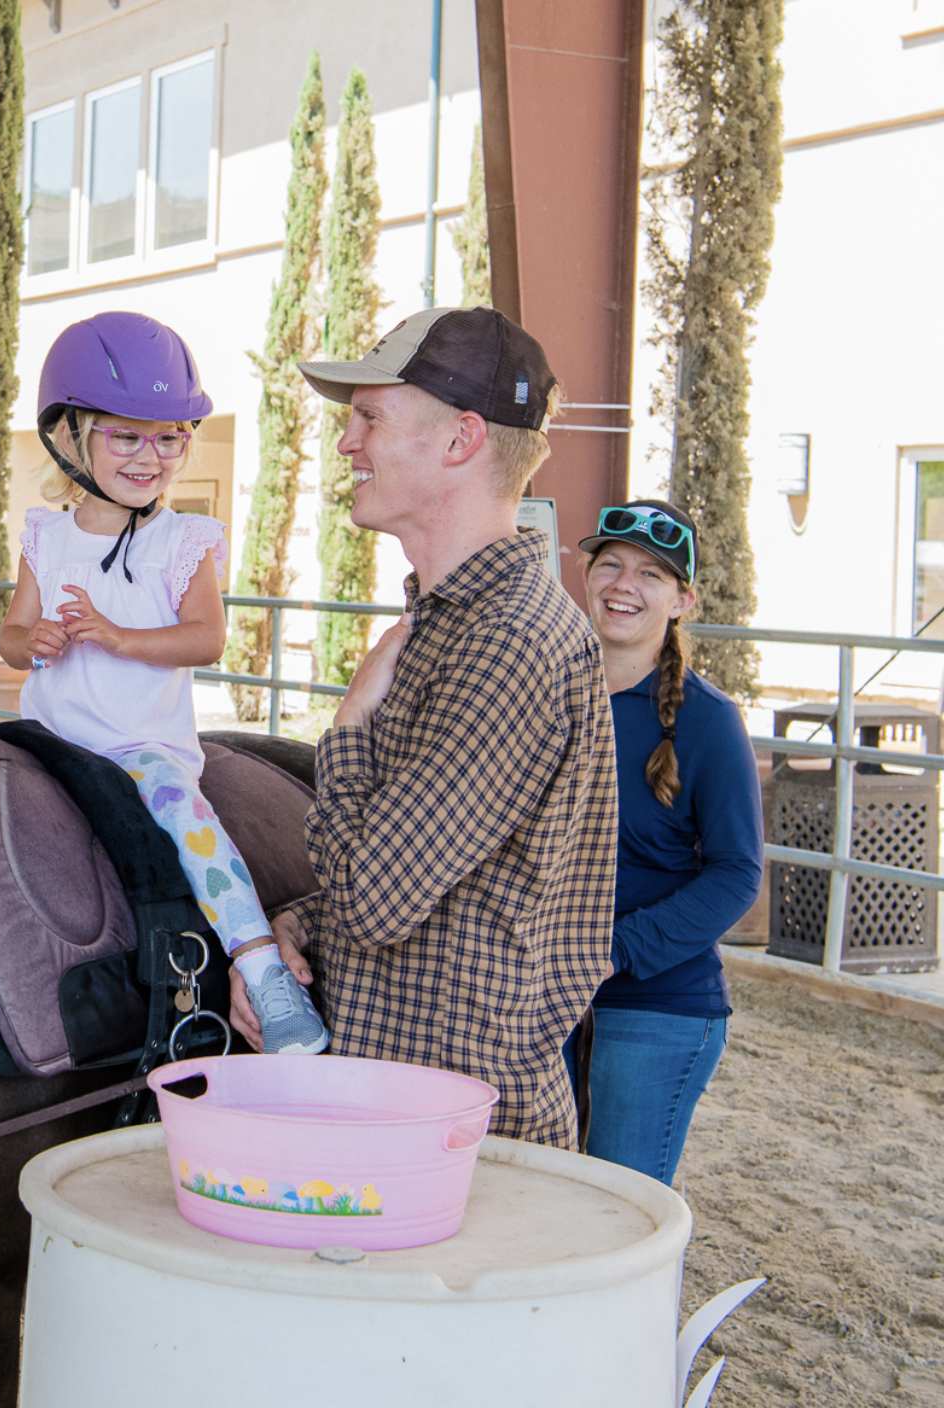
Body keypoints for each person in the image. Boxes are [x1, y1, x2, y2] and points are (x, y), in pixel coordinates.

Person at [250, 306, 617, 1146]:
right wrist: (298, 930)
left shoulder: (510, 639)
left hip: (453, 1135)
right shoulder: (450, 627)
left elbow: (379, 897)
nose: (348, 443)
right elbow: (445, 891)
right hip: (401, 1107)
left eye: (370, 417)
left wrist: (346, 731)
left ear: (460, 441)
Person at [0, 311, 327, 1055]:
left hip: (142, 747)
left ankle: (260, 964)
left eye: (170, 436)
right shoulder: (45, 536)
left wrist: (116, 636)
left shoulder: (185, 541)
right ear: (73, 434)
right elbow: (10, 636)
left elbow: (207, 638)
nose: (151, 456)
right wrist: (34, 639)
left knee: (190, 822)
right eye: (126, 435)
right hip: (47, 742)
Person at [570, 500, 763, 1184]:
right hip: (540, 992)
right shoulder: (547, 694)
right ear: (587, 577)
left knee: (620, 1209)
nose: (624, 584)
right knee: (537, 1195)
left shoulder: (708, 723)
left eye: (651, 574)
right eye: (611, 565)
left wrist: (615, 951)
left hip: (654, 1003)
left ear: (682, 599)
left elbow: (738, 873)